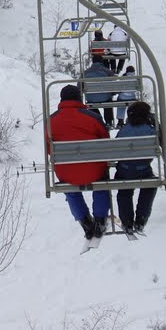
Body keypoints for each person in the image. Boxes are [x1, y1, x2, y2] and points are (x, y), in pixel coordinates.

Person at [47, 85, 111, 239]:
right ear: (79, 98)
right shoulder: (92, 117)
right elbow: (106, 141)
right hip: (93, 170)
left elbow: (48, 147)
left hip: (66, 172)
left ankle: (84, 221)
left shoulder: (51, 120)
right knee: (101, 182)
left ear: (62, 99)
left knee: (69, 186)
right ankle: (100, 220)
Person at [114, 100, 159, 234]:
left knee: (124, 190)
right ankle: (141, 218)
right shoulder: (151, 130)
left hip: (125, 170)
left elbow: (115, 150)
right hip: (143, 170)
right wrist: (157, 123)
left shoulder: (124, 131)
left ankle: (127, 222)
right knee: (150, 186)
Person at [82, 55, 115, 127]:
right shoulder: (107, 72)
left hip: (91, 98)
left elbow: (80, 86)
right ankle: (109, 121)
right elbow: (114, 84)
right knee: (108, 101)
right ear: (101, 62)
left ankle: (98, 120)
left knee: (91, 105)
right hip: (105, 97)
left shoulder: (85, 73)